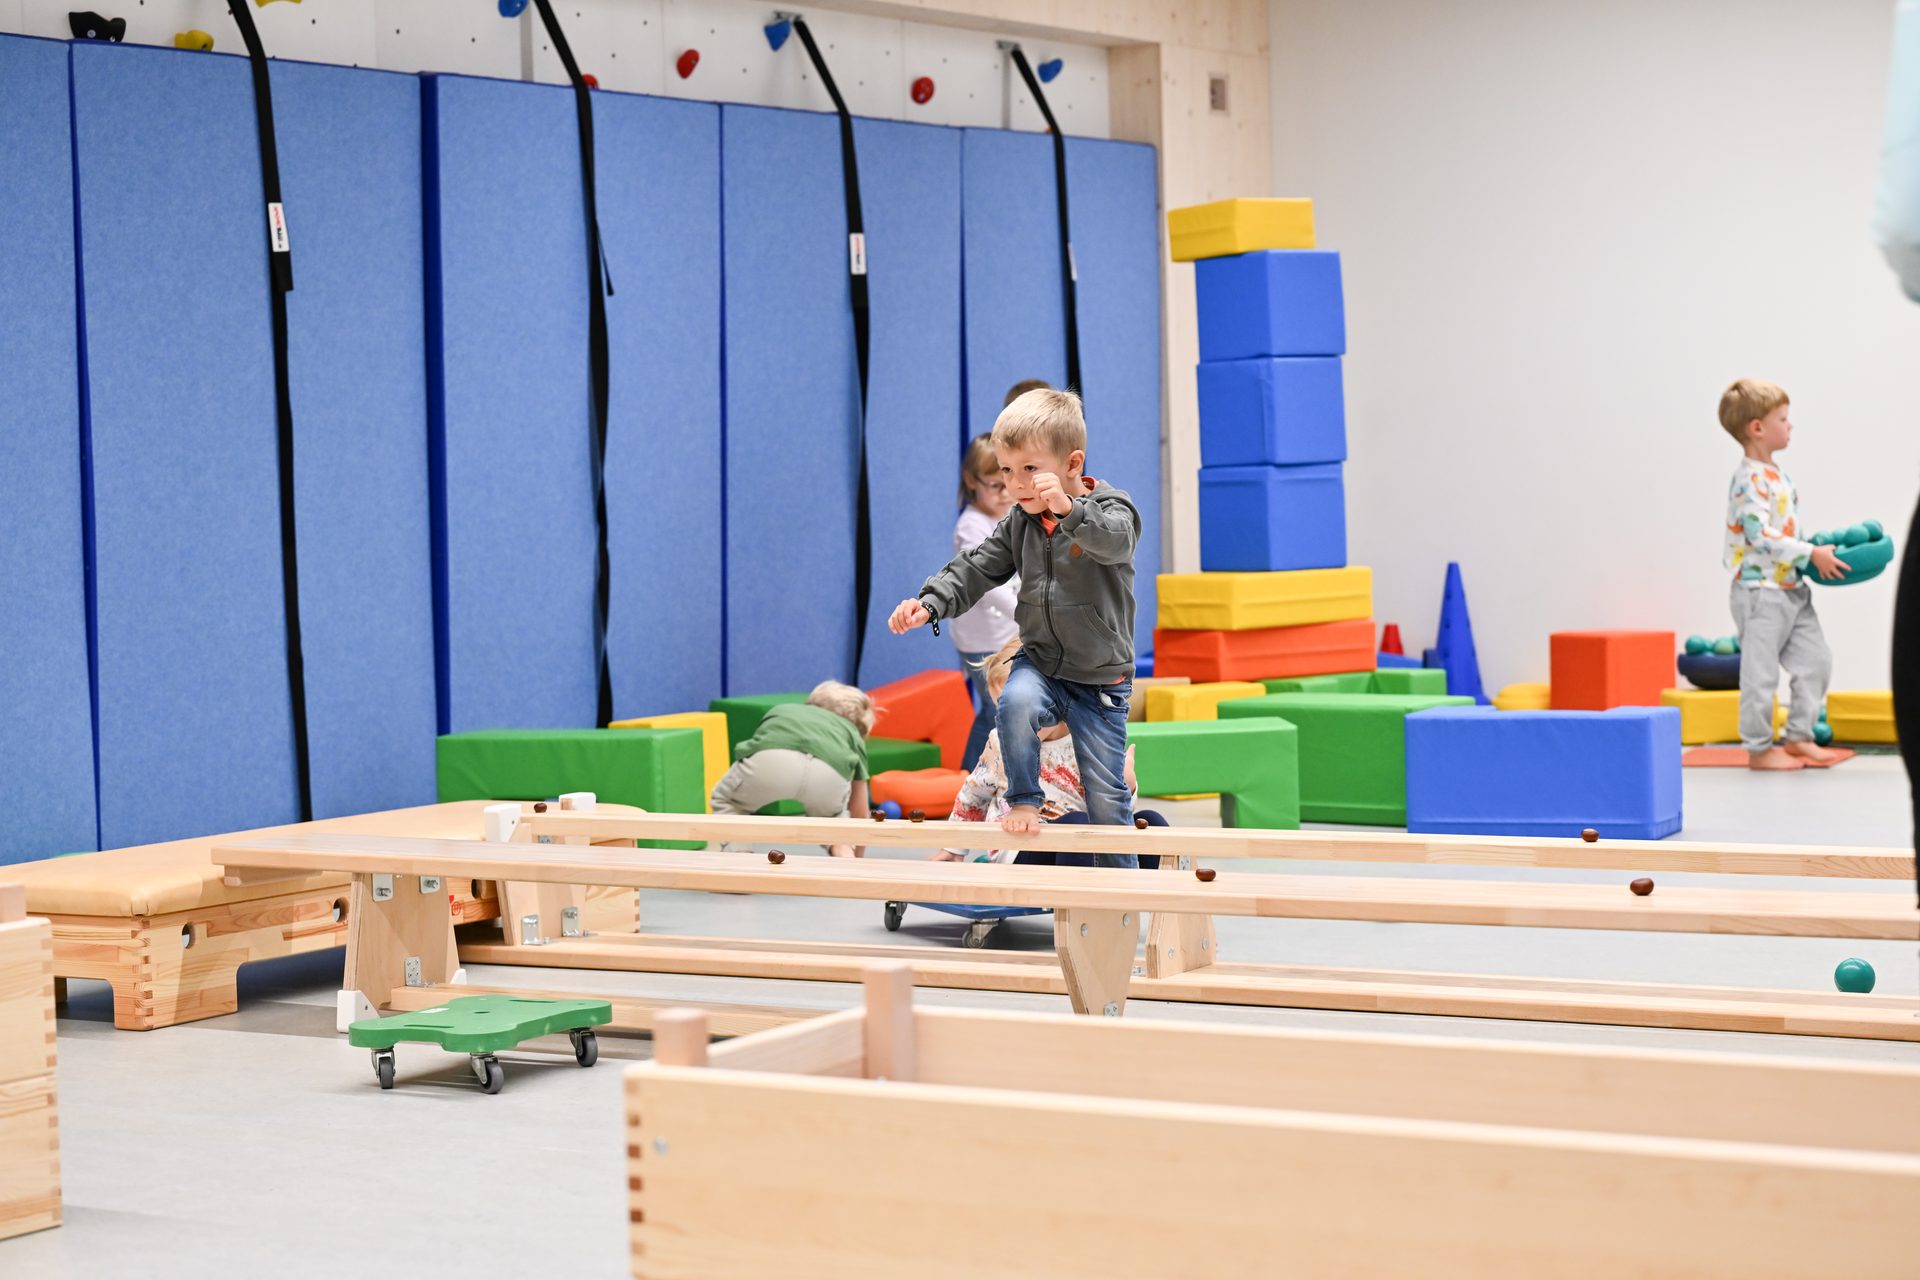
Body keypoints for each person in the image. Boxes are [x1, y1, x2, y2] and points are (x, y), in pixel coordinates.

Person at [888, 387, 1141, 862]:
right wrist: (931, 603)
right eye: (1007, 471)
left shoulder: (1112, 509)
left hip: (1101, 678)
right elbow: (977, 566)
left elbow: (1117, 545)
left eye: (1030, 469)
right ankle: (1024, 800)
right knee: (1016, 703)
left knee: (1107, 799)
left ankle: (1123, 892)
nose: (1016, 483)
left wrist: (1070, 514)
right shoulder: (1018, 523)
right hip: (1042, 662)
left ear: (1072, 464)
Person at [1717, 378, 1849, 771]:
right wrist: (1809, 551)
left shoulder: (1777, 475)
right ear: (1757, 427)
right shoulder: (1749, 480)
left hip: (1792, 588)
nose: (1790, 426)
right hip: (1760, 593)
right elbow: (1758, 535)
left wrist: (1814, 551)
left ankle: (1799, 736)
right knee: (1759, 675)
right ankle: (1758, 749)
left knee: (1817, 661)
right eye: (1783, 419)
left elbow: (1784, 531)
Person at [931, 640, 1140, 866]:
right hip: (1020, 846)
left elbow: (1112, 815)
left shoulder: (1087, 739)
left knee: (1150, 822)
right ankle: (1077, 899)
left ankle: (1146, 892)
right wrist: (953, 847)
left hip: (1084, 846)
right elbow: (973, 795)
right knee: (1076, 826)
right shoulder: (1000, 743)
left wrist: (1127, 786)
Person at [709, 681, 871, 856]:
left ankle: (740, 856)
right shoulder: (851, 733)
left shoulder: (785, 709)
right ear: (855, 722)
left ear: (812, 701)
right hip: (828, 775)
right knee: (835, 826)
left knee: (728, 801)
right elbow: (860, 812)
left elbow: (760, 741)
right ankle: (845, 856)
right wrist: (859, 855)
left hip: (773, 762)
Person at [950, 432, 1019, 770]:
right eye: (995, 485)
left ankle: (976, 776)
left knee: (995, 708)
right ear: (971, 481)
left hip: (1008, 634)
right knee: (996, 708)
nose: (1005, 493)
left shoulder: (1012, 515)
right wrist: (1027, 613)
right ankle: (968, 778)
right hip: (982, 640)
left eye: (1009, 481)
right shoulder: (971, 526)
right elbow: (987, 583)